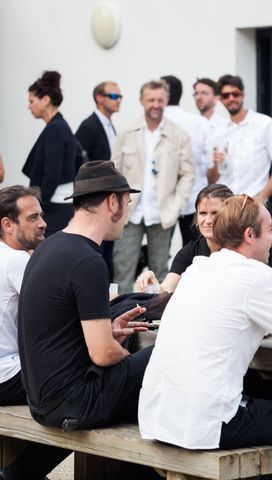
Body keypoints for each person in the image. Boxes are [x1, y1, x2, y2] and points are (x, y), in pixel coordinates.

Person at [139, 195, 272, 479]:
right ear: (249, 235)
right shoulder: (257, 276)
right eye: (269, 230)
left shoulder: (197, 269)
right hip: (205, 421)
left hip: (158, 416)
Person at [11, 162, 150, 479]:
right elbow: (102, 355)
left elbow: (59, 332)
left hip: (40, 399)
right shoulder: (87, 260)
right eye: (127, 204)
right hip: (72, 403)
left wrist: (108, 330)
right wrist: (133, 362)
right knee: (163, 355)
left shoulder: (50, 248)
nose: (127, 215)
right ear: (112, 202)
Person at [111, 79, 195, 293]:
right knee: (123, 268)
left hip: (162, 214)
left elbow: (187, 174)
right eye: (151, 100)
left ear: (167, 101)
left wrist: (176, 205)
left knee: (161, 271)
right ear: (142, 101)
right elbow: (114, 170)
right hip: (129, 212)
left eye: (160, 100)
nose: (156, 104)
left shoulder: (179, 135)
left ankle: (157, 321)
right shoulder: (126, 132)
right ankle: (122, 316)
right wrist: (117, 205)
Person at [135, 183, 233, 293]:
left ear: (230, 215)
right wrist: (152, 285)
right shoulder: (188, 253)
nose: (208, 220)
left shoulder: (243, 248)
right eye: (203, 213)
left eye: (215, 213)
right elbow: (166, 289)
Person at [210, 74, 272, 204]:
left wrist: (261, 198)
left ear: (242, 95)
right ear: (220, 99)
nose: (231, 98)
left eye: (235, 94)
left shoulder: (265, 124)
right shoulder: (218, 131)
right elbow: (212, 178)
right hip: (224, 204)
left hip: (252, 202)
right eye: (226, 95)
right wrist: (214, 165)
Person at [0, 186, 46, 406]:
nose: (43, 223)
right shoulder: (15, 260)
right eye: (33, 218)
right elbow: (54, 311)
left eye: (41, 216)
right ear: (7, 224)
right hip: (6, 376)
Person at [76, 80, 123, 279]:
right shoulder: (89, 126)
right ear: (99, 98)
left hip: (109, 197)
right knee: (98, 251)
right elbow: (79, 164)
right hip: (97, 199)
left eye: (120, 96)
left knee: (108, 251)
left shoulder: (109, 124)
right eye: (114, 96)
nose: (119, 100)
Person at [23, 70, 78, 237]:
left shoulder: (55, 129)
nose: (29, 106)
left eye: (31, 101)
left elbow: (52, 173)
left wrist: (36, 206)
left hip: (55, 208)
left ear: (46, 100)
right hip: (59, 205)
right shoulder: (58, 126)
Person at [161, 75, 211, 246]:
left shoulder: (155, 123)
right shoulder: (200, 123)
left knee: (159, 256)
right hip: (194, 196)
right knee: (196, 252)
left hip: (162, 199)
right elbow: (210, 164)